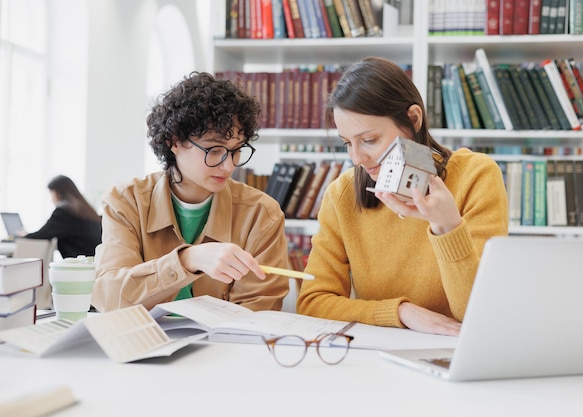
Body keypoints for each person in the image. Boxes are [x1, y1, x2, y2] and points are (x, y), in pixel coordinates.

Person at [296, 57, 509, 336]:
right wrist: (400, 312)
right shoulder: (342, 194)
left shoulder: (475, 176)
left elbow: (476, 314)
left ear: (413, 119)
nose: (357, 158)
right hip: (376, 358)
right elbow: (313, 303)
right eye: (347, 143)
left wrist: (447, 227)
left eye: (369, 140)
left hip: (455, 353)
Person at [92, 71, 290, 313]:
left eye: (236, 150)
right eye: (214, 150)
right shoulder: (127, 202)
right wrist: (187, 260)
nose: (229, 166)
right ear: (174, 142)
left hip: (223, 349)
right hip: (141, 345)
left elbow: (257, 316)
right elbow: (110, 298)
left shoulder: (261, 214)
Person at [21, 175, 102, 258]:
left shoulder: (64, 212)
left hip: (79, 265)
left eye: (51, 193)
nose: (51, 199)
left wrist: (24, 236)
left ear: (57, 193)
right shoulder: (86, 210)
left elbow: (42, 234)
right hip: (94, 262)